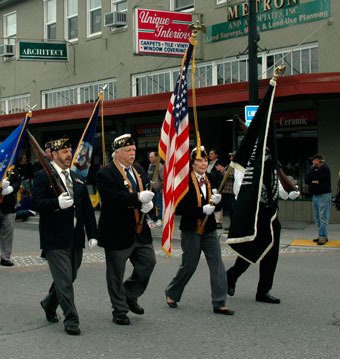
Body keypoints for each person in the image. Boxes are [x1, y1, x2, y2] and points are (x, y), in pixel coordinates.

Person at [32, 136, 98, 336]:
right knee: (64, 281)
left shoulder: (77, 177)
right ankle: (71, 320)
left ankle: (49, 303)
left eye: (70, 151)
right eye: (64, 152)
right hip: (55, 238)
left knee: (70, 276)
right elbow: (36, 204)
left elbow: (87, 209)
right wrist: (56, 204)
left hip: (75, 238)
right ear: (53, 154)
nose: (69, 155)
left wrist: (93, 234)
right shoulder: (43, 176)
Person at [165, 146, 234, 316]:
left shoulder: (212, 178)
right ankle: (172, 292)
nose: (203, 163)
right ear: (192, 163)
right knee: (189, 264)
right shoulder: (184, 182)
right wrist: (201, 210)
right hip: (191, 229)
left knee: (217, 263)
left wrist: (218, 201)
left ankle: (219, 302)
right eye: (198, 161)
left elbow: (220, 204)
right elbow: (179, 207)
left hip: (209, 230)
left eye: (204, 160)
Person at [96, 134, 156, 326]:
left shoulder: (138, 169)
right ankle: (119, 310)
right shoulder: (105, 173)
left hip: (140, 229)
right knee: (116, 273)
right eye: (128, 151)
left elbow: (144, 194)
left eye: (134, 151)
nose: (132, 154)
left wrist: (149, 204)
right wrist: (138, 198)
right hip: (117, 231)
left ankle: (130, 294)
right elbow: (113, 199)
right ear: (117, 153)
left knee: (148, 263)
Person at [226, 166, 300, 304]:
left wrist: (290, 191)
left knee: (272, 254)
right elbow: (239, 192)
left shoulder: (273, 167)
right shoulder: (246, 167)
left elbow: (280, 191)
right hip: (254, 215)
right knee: (252, 250)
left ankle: (263, 290)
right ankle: (232, 275)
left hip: (271, 215)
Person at [304, 154, 332, 245]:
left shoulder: (325, 168)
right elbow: (307, 179)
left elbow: (319, 178)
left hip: (324, 195)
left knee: (323, 216)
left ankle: (322, 236)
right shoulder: (313, 169)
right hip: (315, 195)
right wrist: (314, 181)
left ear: (318, 160)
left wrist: (314, 180)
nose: (312, 162)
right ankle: (322, 235)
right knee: (317, 217)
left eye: (313, 160)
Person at [0, 169, 21, 266]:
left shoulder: (11, 167)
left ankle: (5, 257)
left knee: (8, 234)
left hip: (9, 207)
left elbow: (17, 181)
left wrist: (11, 189)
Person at [216, 151, 236, 231]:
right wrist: (223, 170)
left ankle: (235, 225)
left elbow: (231, 175)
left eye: (232, 156)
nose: (230, 158)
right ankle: (232, 225)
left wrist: (222, 170)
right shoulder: (230, 164)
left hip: (232, 190)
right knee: (230, 209)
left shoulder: (237, 165)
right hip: (226, 190)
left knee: (233, 208)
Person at [207, 148, 223, 229]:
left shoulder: (219, 163)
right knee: (210, 202)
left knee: (217, 203)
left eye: (212, 153)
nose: (210, 155)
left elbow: (220, 176)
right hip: (209, 185)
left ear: (216, 155)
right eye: (210, 153)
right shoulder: (208, 163)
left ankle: (218, 221)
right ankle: (211, 220)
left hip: (216, 186)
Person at [146, 151, 164, 227]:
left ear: (156, 157)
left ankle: (160, 219)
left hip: (158, 188)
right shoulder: (150, 165)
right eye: (149, 157)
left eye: (152, 157)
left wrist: (162, 188)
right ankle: (153, 218)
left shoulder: (160, 166)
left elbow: (163, 178)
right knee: (151, 204)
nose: (150, 158)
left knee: (159, 204)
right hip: (151, 187)